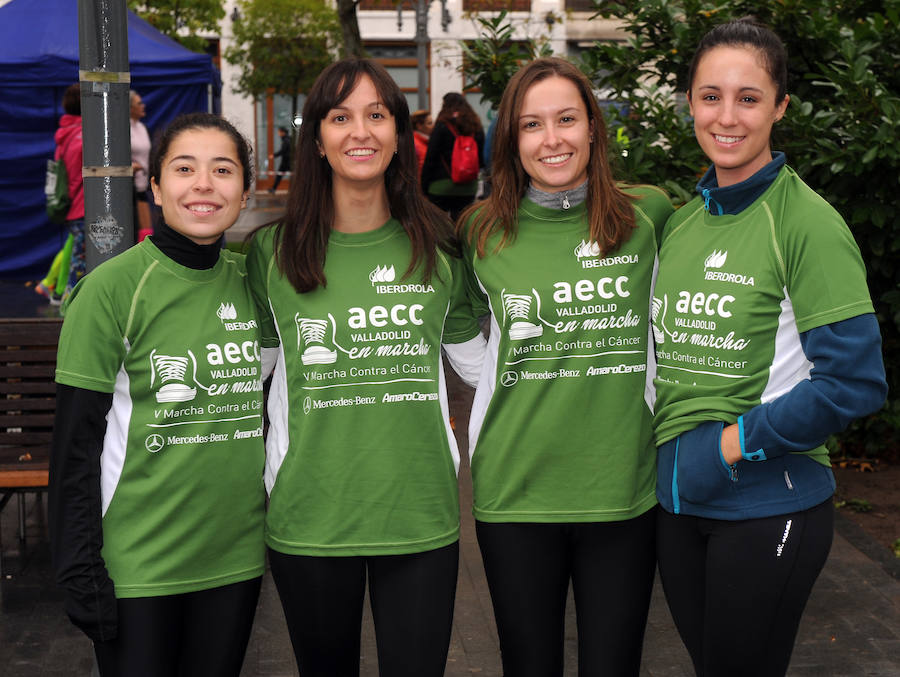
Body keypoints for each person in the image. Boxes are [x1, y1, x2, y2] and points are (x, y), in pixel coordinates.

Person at [651, 19, 888, 677]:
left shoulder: (806, 222)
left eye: (748, 98)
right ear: (690, 103)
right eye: (710, 96)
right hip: (678, 508)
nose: (727, 116)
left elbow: (854, 381)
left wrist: (730, 444)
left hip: (766, 503)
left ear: (780, 106)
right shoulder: (682, 223)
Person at [245, 58, 485, 677]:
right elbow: (247, 382)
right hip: (309, 520)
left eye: (376, 114)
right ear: (318, 139)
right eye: (340, 116)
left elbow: (486, 371)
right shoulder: (272, 253)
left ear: (399, 134)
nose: (360, 131)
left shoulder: (438, 244)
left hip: (420, 517)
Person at [459, 57, 673, 676]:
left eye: (566, 120)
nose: (551, 140)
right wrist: (508, 378)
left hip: (623, 491)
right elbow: (457, 331)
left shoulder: (649, 215)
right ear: (512, 140)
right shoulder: (480, 230)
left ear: (593, 128)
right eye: (531, 124)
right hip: (516, 493)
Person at [49, 113, 267, 677]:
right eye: (184, 168)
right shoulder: (111, 289)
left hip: (234, 562)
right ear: (155, 186)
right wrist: (78, 569)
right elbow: (74, 447)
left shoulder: (255, 284)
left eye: (223, 170)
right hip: (138, 567)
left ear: (245, 190)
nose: (203, 184)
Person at [421, 92, 484, 221]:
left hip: (440, 186)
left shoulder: (441, 125)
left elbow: (430, 158)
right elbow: (481, 158)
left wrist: (424, 185)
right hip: (468, 187)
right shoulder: (476, 127)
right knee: (462, 226)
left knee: (439, 229)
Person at [53, 83, 85, 295]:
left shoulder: (65, 134)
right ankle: (72, 302)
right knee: (81, 260)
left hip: (72, 205)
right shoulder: (85, 135)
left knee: (75, 253)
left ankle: (60, 293)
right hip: (84, 205)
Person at [130, 90, 152, 239]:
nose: (143, 106)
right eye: (139, 103)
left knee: (146, 232)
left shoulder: (142, 127)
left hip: (143, 185)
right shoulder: (122, 128)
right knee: (138, 231)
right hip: (129, 187)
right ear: (129, 108)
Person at [269, 126, 293, 193]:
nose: (278, 133)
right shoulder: (287, 139)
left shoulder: (286, 140)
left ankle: (274, 189)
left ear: (283, 132)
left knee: (291, 176)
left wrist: (274, 155)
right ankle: (273, 189)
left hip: (287, 162)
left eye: (279, 132)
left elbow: (283, 151)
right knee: (280, 175)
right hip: (287, 161)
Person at [410, 108, 432, 178]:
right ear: (419, 125)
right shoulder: (413, 143)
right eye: (429, 123)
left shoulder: (426, 141)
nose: (433, 126)